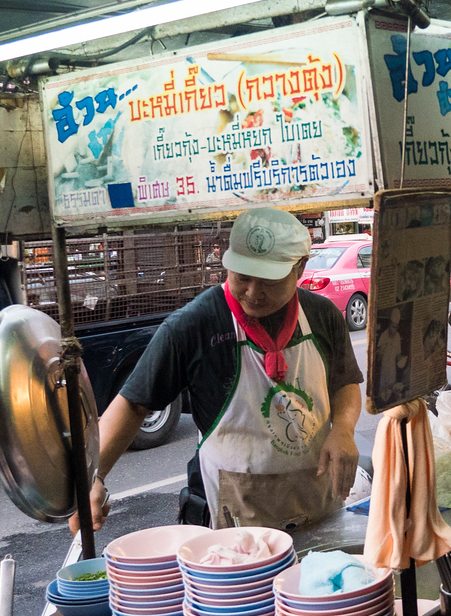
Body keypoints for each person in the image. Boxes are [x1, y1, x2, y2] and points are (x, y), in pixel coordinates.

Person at [74, 207, 364, 532]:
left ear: (299, 269)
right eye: (242, 277)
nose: (253, 293)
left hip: (319, 511)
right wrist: (94, 477)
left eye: (269, 281)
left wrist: (343, 430)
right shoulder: (193, 326)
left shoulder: (321, 315)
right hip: (235, 528)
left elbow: (345, 383)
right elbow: (134, 403)